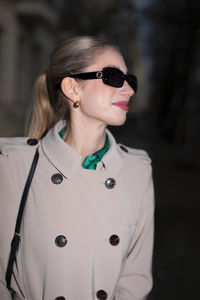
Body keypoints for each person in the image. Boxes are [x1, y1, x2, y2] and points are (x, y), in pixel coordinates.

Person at [0, 36, 154, 300]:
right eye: (113, 77)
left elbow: (135, 277)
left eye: (131, 80)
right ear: (73, 88)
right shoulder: (13, 163)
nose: (128, 89)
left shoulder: (137, 171)